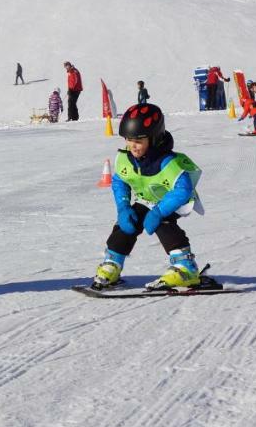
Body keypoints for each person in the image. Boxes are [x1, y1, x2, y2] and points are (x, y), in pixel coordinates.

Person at [90, 104, 212, 291]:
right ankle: (112, 262)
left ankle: (185, 267)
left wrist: (159, 211)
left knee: (162, 222)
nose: (132, 146)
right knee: (128, 223)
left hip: (173, 201)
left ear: (154, 139)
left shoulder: (167, 162)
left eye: (138, 141)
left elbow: (183, 189)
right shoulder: (127, 158)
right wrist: (123, 206)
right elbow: (119, 181)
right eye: (129, 140)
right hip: (146, 199)